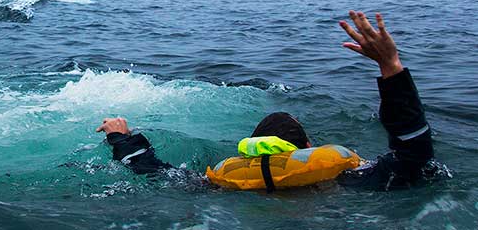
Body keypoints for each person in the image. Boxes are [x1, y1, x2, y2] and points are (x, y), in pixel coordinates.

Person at [96, 11, 447, 191]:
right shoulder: (348, 181)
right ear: (306, 148)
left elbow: (154, 173)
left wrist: (121, 137)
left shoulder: (223, 187)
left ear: (252, 150)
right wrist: (391, 66)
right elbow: (413, 152)